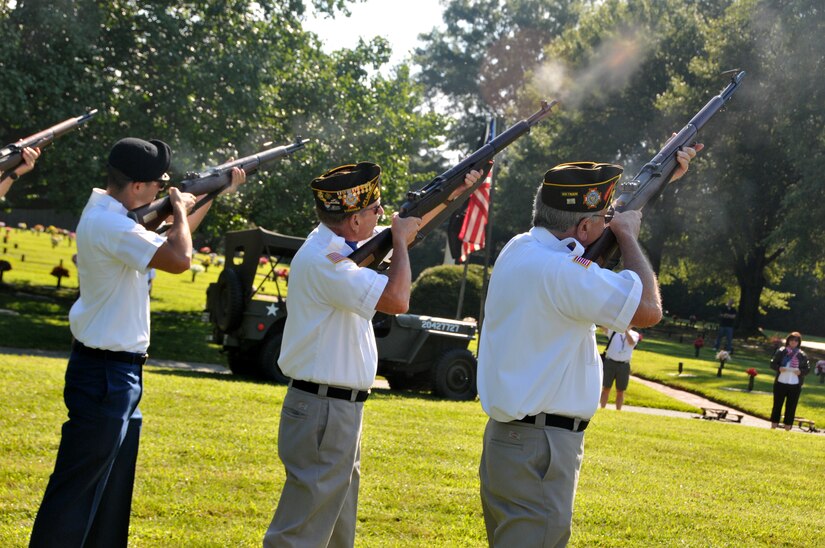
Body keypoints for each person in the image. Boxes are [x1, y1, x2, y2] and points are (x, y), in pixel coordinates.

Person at [477, 143, 700, 547]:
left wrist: (662, 181)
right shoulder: (563, 273)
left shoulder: (520, 248)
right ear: (582, 229)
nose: (609, 224)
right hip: (540, 447)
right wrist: (629, 238)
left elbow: (581, 270)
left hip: (509, 442)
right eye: (603, 218)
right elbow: (649, 310)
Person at [30, 137, 245, 547]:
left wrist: (211, 194)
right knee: (74, 494)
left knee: (109, 493)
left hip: (117, 373)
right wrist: (181, 207)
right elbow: (180, 259)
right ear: (137, 188)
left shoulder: (115, 216)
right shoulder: (113, 224)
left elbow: (169, 242)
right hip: (106, 374)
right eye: (160, 185)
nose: (165, 190)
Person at [263, 162, 480, 547]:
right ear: (352, 219)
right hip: (323, 408)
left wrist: (455, 192)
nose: (380, 213)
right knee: (299, 533)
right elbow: (397, 299)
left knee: (335, 532)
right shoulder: (325, 260)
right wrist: (397, 243)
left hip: (334, 409)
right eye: (373, 208)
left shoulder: (341, 247)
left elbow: (411, 225)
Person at [769, 331, 810, 430]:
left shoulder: (802, 354)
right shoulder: (781, 351)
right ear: (788, 341)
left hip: (795, 384)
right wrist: (779, 368)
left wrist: (800, 371)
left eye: (796, 341)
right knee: (777, 404)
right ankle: (774, 424)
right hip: (781, 382)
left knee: (791, 406)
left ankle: (788, 426)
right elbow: (773, 363)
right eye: (791, 340)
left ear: (798, 342)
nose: (793, 342)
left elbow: (807, 368)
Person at [599, 327, 640, 410]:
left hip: (624, 365)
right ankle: (602, 408)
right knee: (606, 388)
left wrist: (625, 331)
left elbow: (631, 342)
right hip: (610, 362)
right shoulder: (614, 331)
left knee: (620, 390)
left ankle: (618, 410)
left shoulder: (635, 334)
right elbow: (603, 327)